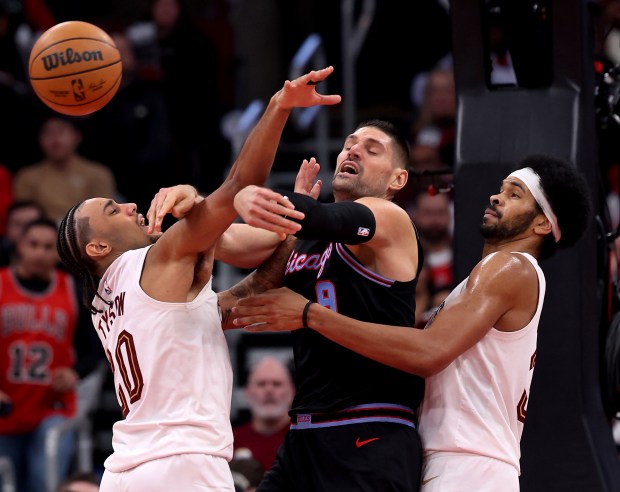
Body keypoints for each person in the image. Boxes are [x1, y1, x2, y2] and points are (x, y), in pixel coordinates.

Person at [232, 154, 593, 491]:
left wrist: (310, 315)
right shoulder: (484, 279)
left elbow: (428, 353)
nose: (497, 198)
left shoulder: (510, 267)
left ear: (543, 223)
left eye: (514, 195)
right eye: (500, 189)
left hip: (468, 466)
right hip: (457, 460)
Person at [55, 67, 339, 491]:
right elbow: (240, 185)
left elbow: (251, 294)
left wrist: (294, 226)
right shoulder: (156, 259)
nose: (130, 205)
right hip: (181, 465)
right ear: (97, 248)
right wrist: (279, 106)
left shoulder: (106, 303)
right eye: (113, 211)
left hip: (126, 473)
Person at [219, 118, 426, 491]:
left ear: (397, 180)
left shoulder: (391, 219)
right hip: (304, 434)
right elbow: (239, 267)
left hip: (367, 429)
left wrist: (241, 194)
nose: (353, 149)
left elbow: (314, 215)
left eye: (371, 148)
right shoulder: (308, 237)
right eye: (349, 144)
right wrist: (166, 240)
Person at [0, 218, 82, 492]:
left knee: (43, 481)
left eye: (48, 247)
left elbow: (96, 346)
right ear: (18, 246)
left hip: (52, 405)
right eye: (33, 244)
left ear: (57, 253)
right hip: (7, 407)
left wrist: (76, 371)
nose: (39, 252)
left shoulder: (72, 289)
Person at [12, 115, 118, 225]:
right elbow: (23, 218)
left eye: (60, 131)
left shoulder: (98, 174)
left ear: (77, 136)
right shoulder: (26, 176)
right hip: (43, 236)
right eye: (48, 133)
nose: (55, 139)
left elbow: (106, 217)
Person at [233, 356, 295, 472]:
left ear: (292, 392)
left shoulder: (305, 440)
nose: (269, 390)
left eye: (277, 384)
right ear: (247, 392)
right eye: (261, 384)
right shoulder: (230, 441)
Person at [0, 199, 44, 267]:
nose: (24, 230)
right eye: (17, 224)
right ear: (7, 228)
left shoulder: (62, 267)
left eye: (31, 223)